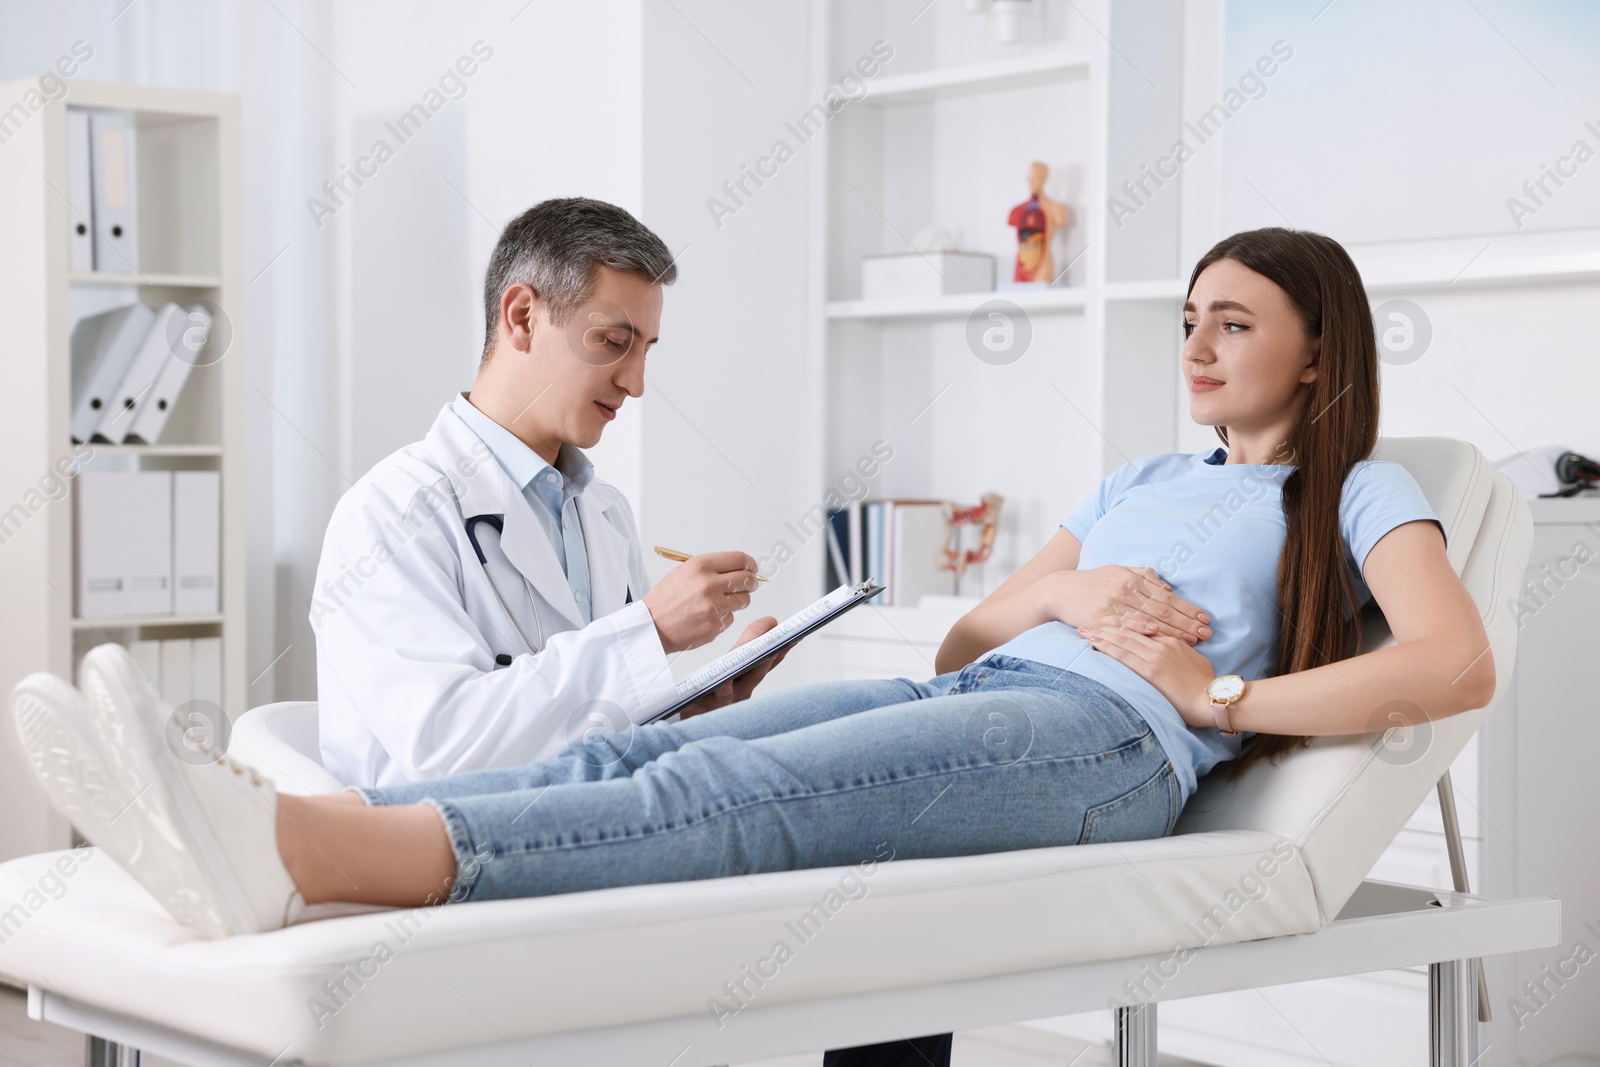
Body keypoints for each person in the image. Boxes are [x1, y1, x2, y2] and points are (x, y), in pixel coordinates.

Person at [15, 228, 1497, 1063]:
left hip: (1103, 748)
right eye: (1187, 317)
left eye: (1232, 323)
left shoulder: (1360, 484)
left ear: (1321, 346)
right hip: (1001, 685)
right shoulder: (1137, 485)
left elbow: (1451, 664)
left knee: (721, 805)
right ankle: (268, 828)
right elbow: (974, 629)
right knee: (641, 749)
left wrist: (1214, 688)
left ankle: (290, 846)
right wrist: (1061, 591)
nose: (1195, 344)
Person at [310, 197, 786, 789]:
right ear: (522, 317)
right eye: (614, 342)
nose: (635, 384)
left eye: (645, 352)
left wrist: (688, 715)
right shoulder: (387, 515)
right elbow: (444, 747)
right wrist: (649, 632)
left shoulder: (605, 514)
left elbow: (591, 727)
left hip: (598, 838)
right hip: (450, 860)